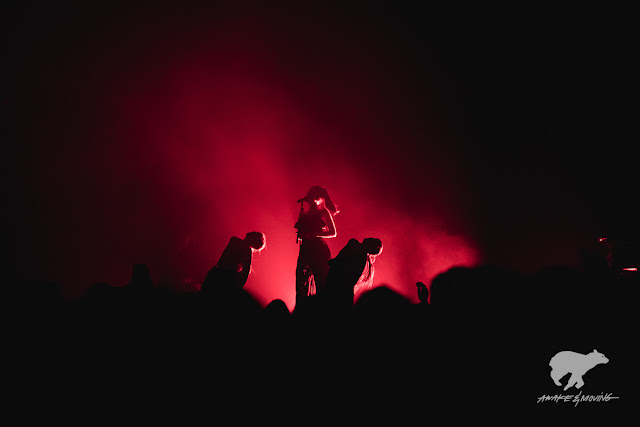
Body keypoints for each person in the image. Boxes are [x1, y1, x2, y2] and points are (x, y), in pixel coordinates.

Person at [294, 186, 339, 307]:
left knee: (321, 282)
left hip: (318, 251)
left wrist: (315, 234)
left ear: (320, 198)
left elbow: (333, 232)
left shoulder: (323, 212)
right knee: (300, 282)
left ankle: (321, 311)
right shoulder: (306, 212)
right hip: (305, 250)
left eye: (315, 195)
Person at [325, 238, 383, 308]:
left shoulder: (355, 246)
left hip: (337, 286)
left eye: (372, 239)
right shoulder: (364, 259)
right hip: (345, 291)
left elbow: (338, 261)